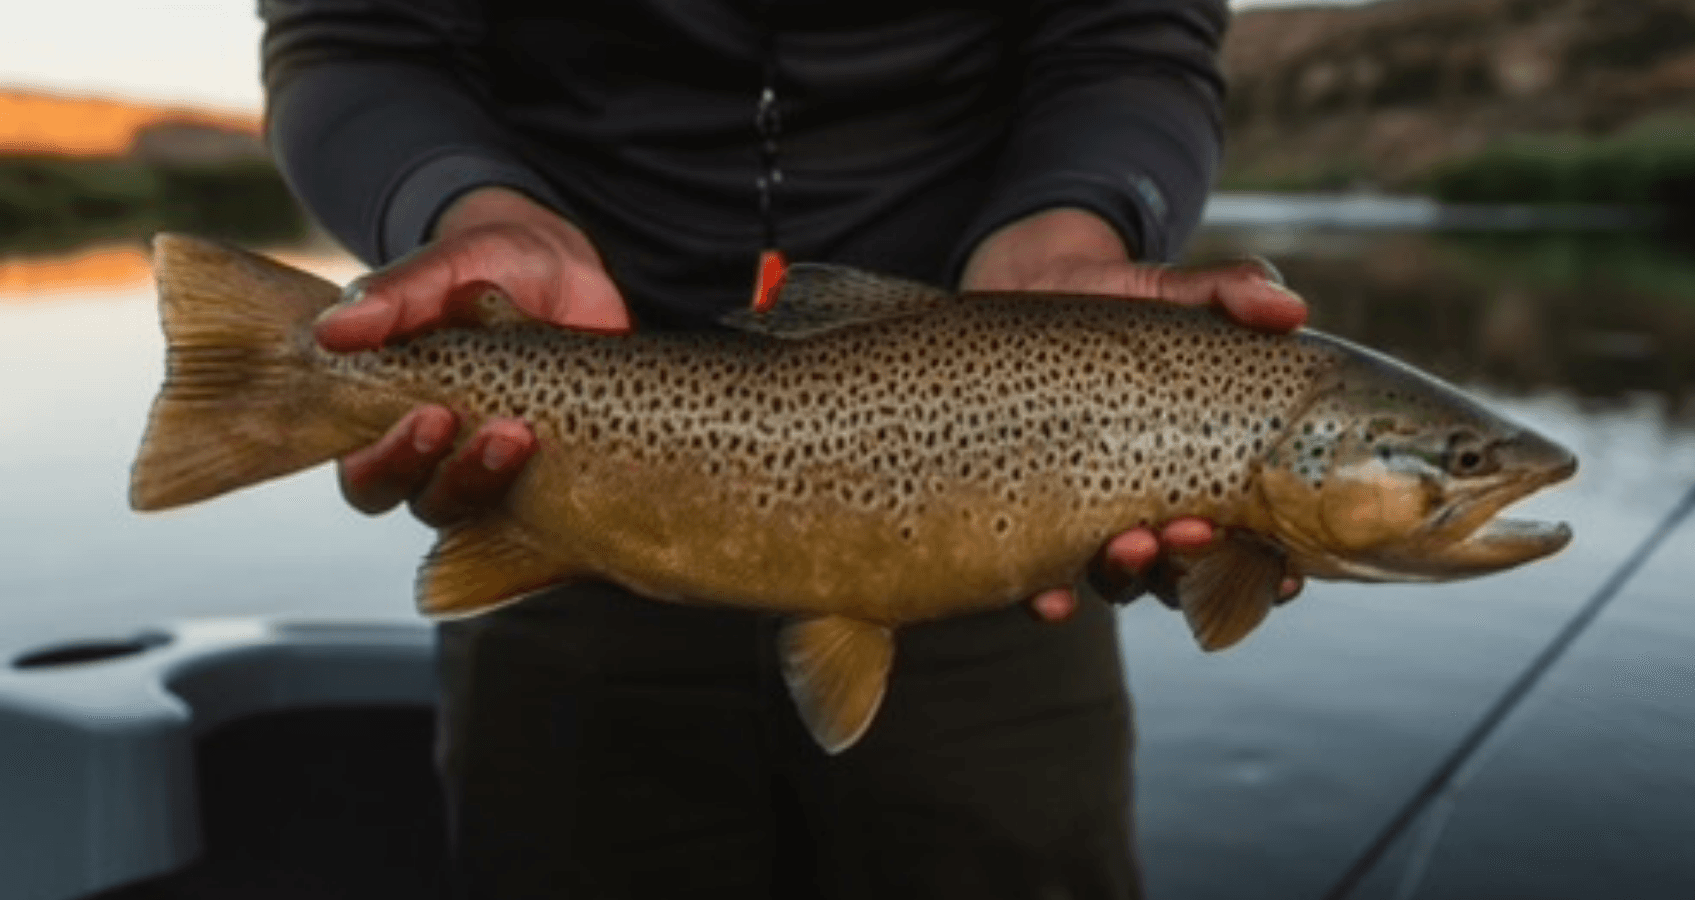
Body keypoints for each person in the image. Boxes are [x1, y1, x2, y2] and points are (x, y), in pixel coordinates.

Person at [260, 2, 1307, 897]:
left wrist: (1077, 226)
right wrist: (463, 206)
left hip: (1008, 507)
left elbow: (1129, 38)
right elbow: (361, 32)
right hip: (562, 479)